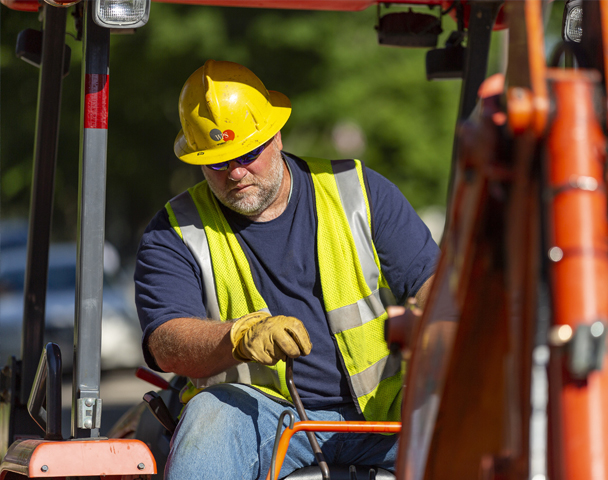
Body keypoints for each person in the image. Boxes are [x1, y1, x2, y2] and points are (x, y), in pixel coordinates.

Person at [134, 59, 439, 479]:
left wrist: (441, 327)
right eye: (218, 162)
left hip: (386, 417)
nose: (236, 173)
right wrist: (238, 336)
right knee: (210, 413)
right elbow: (166, 341)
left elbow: (434, 287)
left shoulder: (358, 192)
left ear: (275, 136)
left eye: (247, 154)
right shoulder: (174, 231)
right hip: (268, 420)